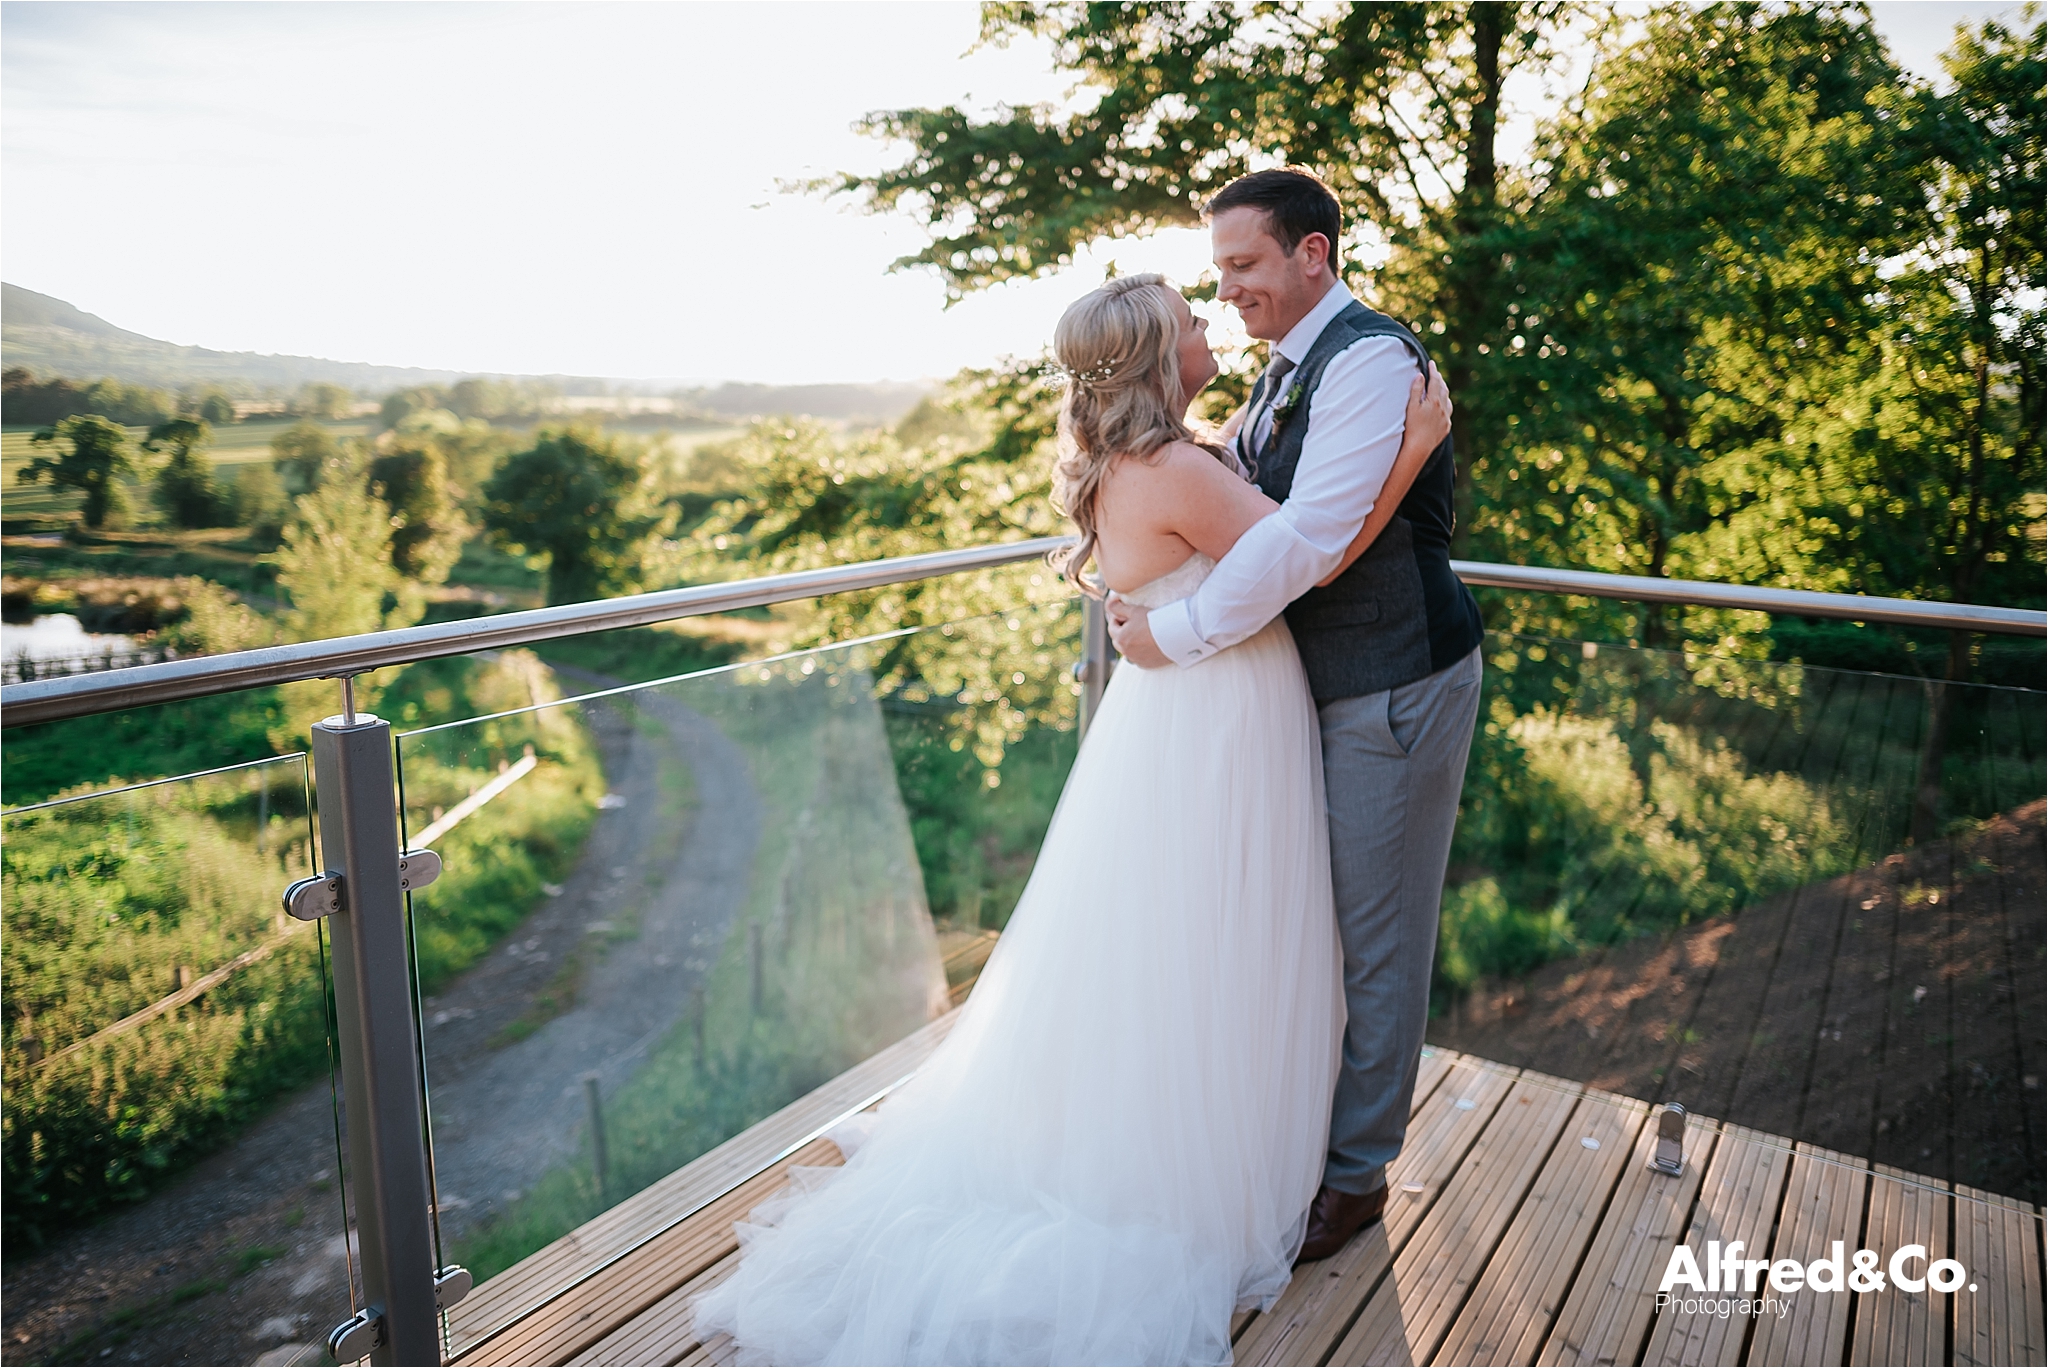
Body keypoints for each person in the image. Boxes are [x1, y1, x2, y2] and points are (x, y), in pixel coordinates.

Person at [691, 273, 1451, 1364]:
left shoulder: (1147, 458)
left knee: (1173, 947)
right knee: (1214, 945)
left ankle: (1184, 1143)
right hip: (1218, 724)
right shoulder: (1174, 469)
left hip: (1181, 718)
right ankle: (1198, 1171)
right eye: (1189, 321)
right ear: (1153, 354)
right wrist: (1412, 449)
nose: (1207, 326)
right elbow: (1309, 559)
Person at [1106, 167, 1486, 1264]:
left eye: (1243, 265)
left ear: (1311, 253)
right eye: (1218, 269)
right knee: (1306, 928)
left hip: (1393, 685)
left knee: (1376, 941)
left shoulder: (1367, 359)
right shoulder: (1281, 370)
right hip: (1314, 691)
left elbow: (1306, 548)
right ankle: (1291, 1143)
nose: (1225, 289)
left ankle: (1355, 1176)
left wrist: (1168, 641)